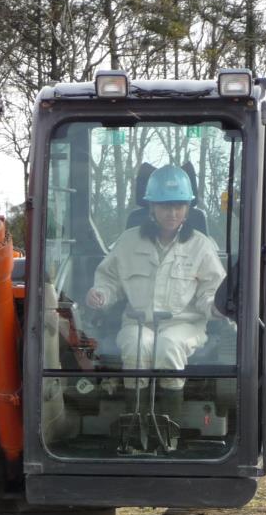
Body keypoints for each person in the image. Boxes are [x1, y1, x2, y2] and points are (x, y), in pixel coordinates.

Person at [84, 165, 224, 438]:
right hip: (138, 321)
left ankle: (168, 430)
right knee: (138, 347)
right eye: (164, 206)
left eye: (179, 206)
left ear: (188, 208)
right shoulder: (127, 243)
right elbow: (110, 280)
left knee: (168, 347)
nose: (172, 213)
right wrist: (101, 294)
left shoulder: (201, 246)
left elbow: (212, 291)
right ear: (151, 208)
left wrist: (216, 307)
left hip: (185, 324)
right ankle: (134, 429)